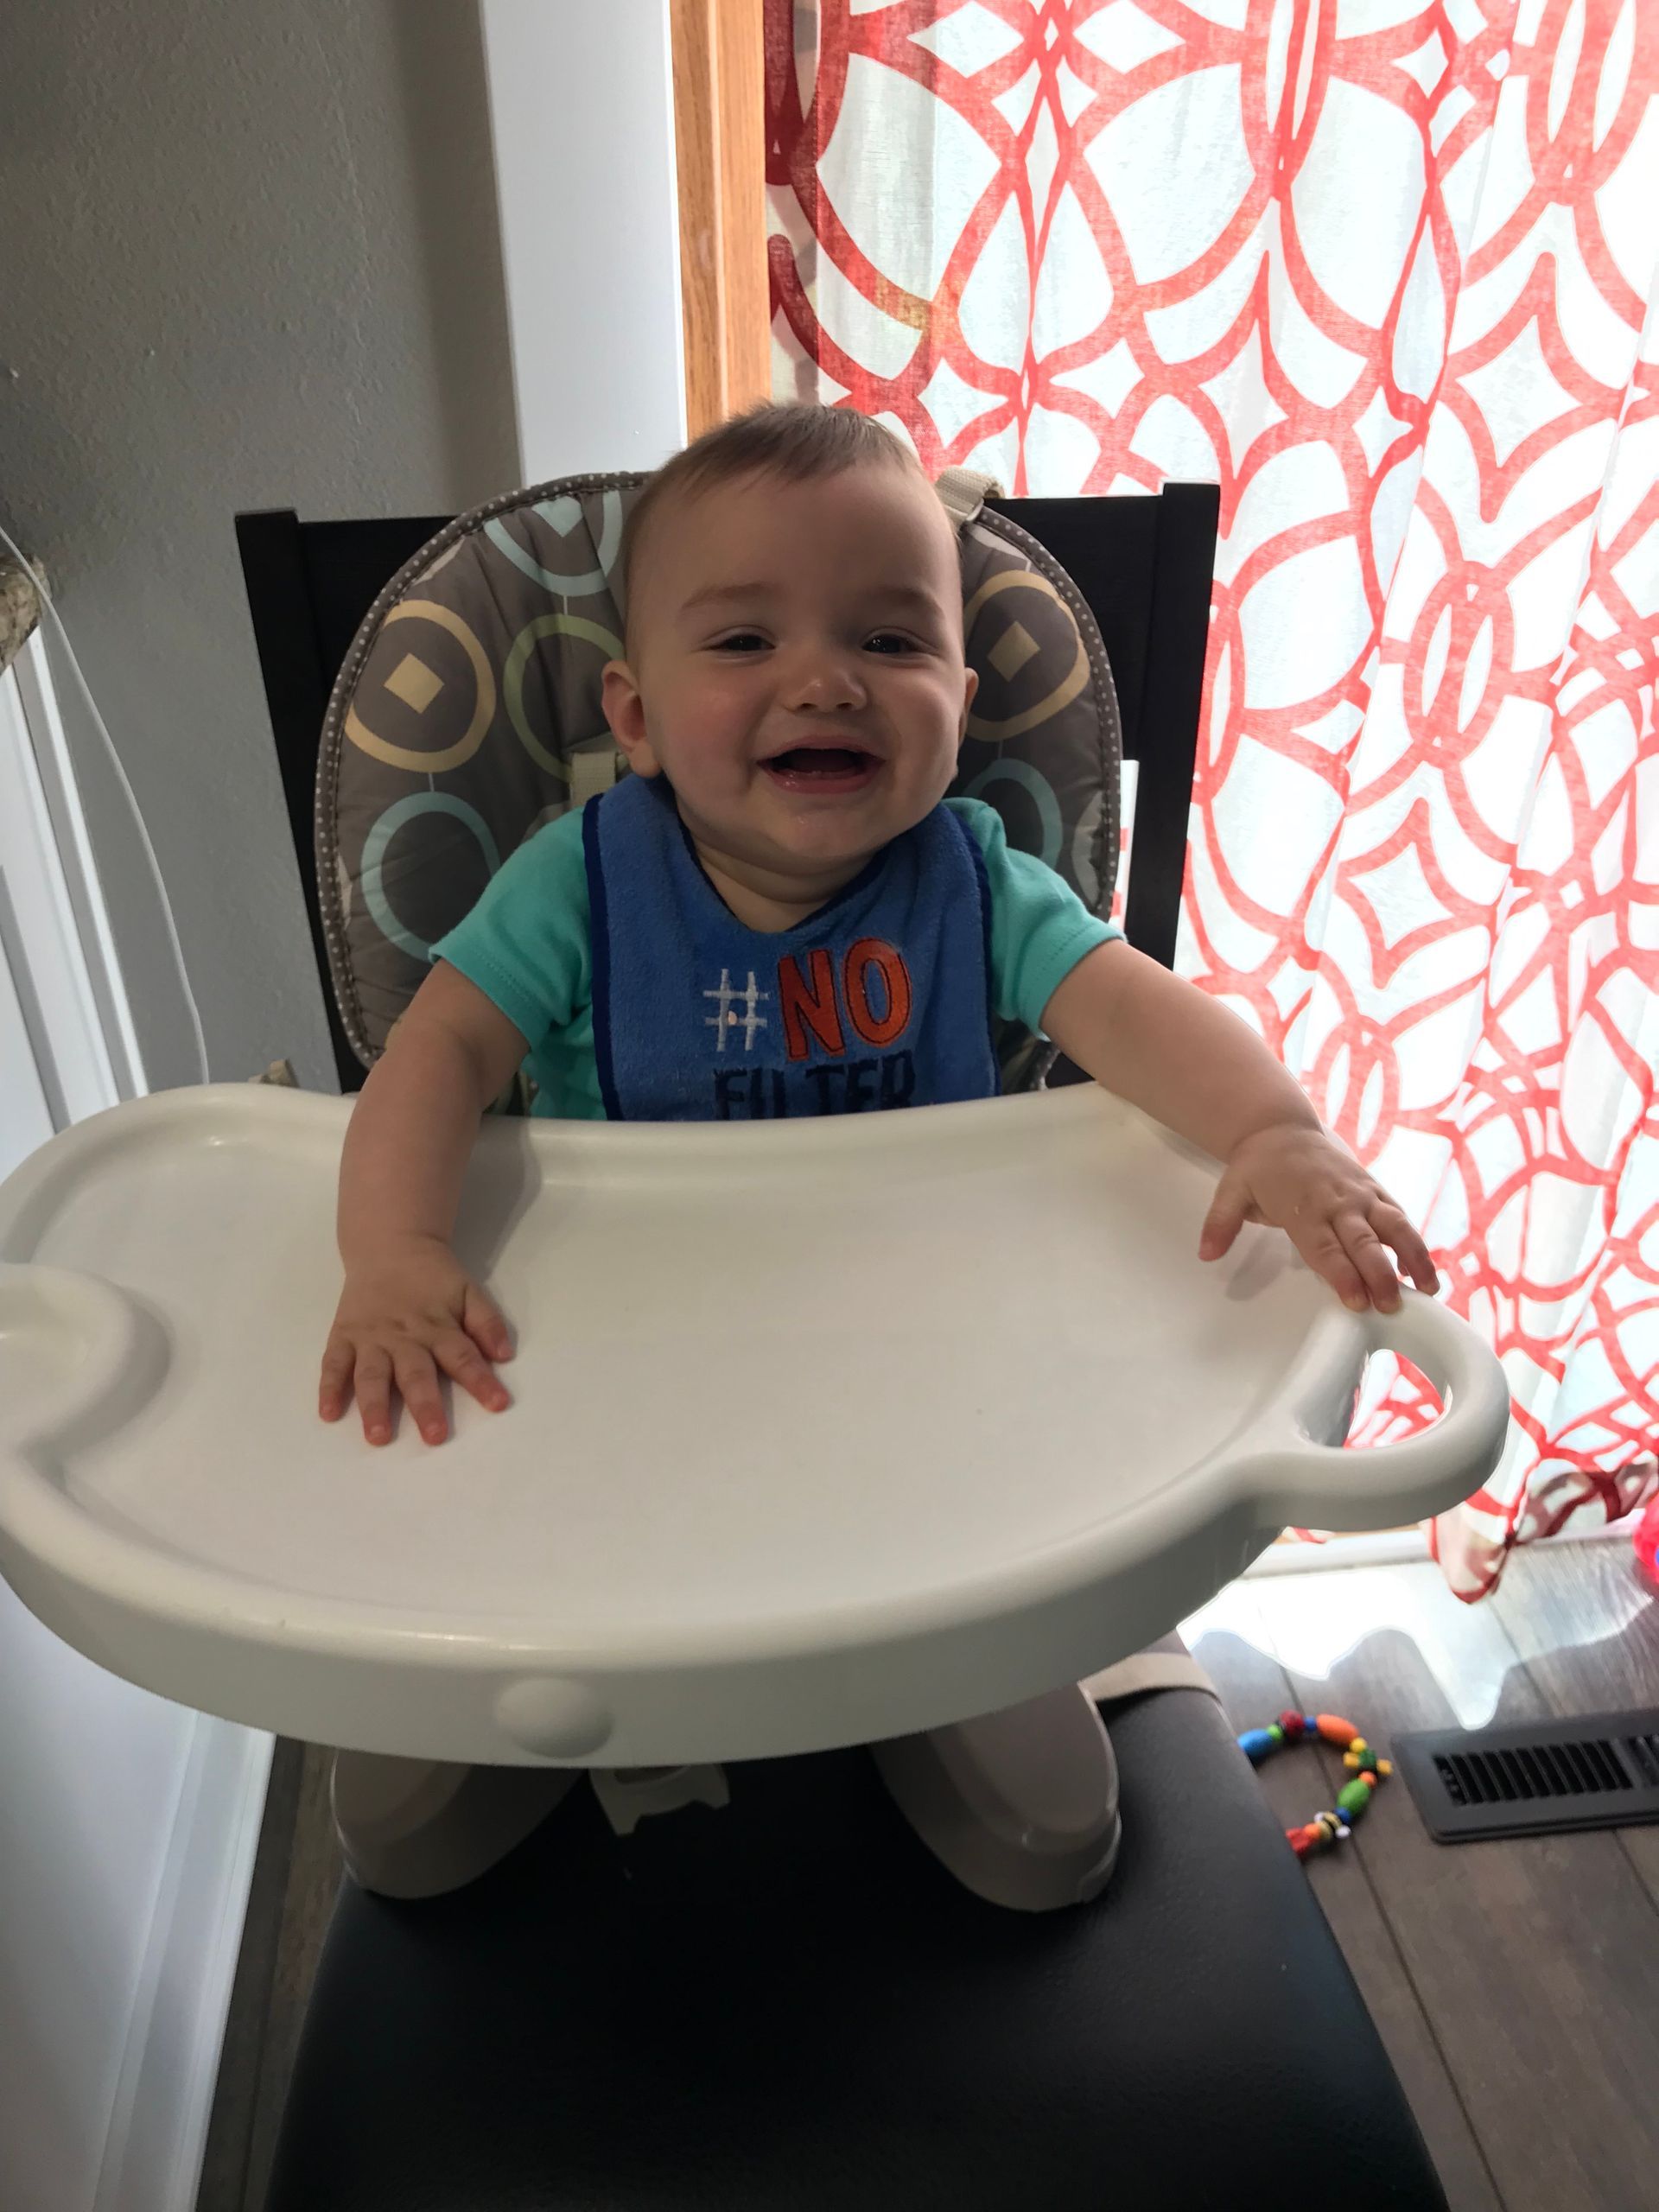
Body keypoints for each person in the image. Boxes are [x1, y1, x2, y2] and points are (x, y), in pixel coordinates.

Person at [319, 404, 1437, 1447]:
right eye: (744, 641)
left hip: (932, 1335)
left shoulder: (975, 884)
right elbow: (439, 1053)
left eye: (892, 644)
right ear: (637, 718)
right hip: (634, 1332)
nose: (826, 682)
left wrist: (1271, 1129)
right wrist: (396, 1252)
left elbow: (1133, 1009)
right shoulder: (579, 886)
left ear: (961, 703)